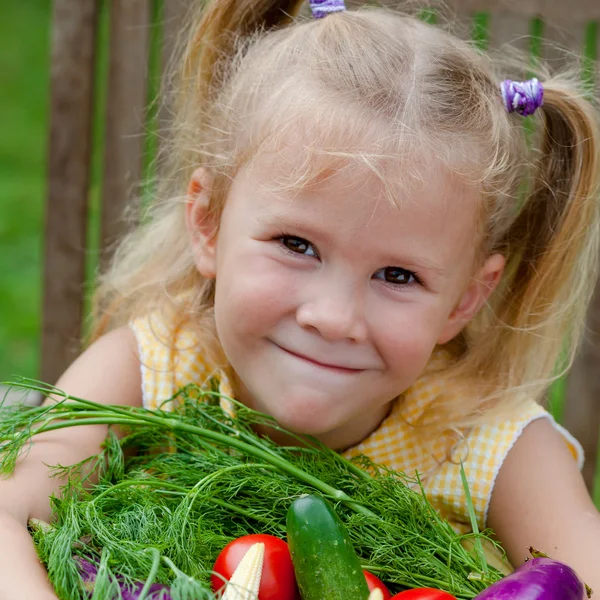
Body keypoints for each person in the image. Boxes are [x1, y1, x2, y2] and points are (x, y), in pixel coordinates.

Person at [2, 0, 600, 596]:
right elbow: (9, 513)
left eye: (397, 276)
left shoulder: (488, 443)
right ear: (208, 224)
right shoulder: (150, 370)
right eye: (296, 244)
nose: (334, 318)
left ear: (466, 300)